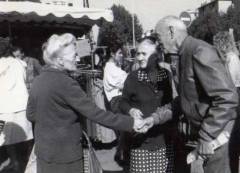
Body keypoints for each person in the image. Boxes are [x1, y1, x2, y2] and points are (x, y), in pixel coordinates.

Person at [26, 33, 152, 173]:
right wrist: (131, 123)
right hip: (66, 156)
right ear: (60, 60)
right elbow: (96, 114)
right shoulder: (66, 83)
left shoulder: (38, 80)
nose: (78, 58)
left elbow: (30, 115)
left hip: (44, 153)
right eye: (74, 55)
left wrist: (53, 123)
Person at [155, 16, 240, 173]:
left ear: (171, 31)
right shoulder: (183, 54)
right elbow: (185, 99)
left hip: (219, 133)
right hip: (214, 131)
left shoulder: (199, 51)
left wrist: (207, 135)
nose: (157, 43)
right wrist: (154, 118)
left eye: (158, 36)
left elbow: (227, 98)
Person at [119, 35, 174, 173]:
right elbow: (122, 102)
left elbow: (169, 104)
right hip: (141, 142)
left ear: (155, 56)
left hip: (163, 140)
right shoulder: (132, 78)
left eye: (144, 54)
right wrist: (130, 110)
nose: (139, 57)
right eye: (138, 53)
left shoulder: (166, 75)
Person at [213, 31, 240, 169]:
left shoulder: (231, 58)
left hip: (233, 97)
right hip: (233, 97)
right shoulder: (229, 57)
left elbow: (230, 83)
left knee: (232, 147)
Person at [0, 43, 33, 173]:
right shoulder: (20, 63)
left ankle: (15, 162)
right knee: (27, 137)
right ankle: (29, 164)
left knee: (6, 139)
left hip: (3, 109)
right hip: (22, 106)